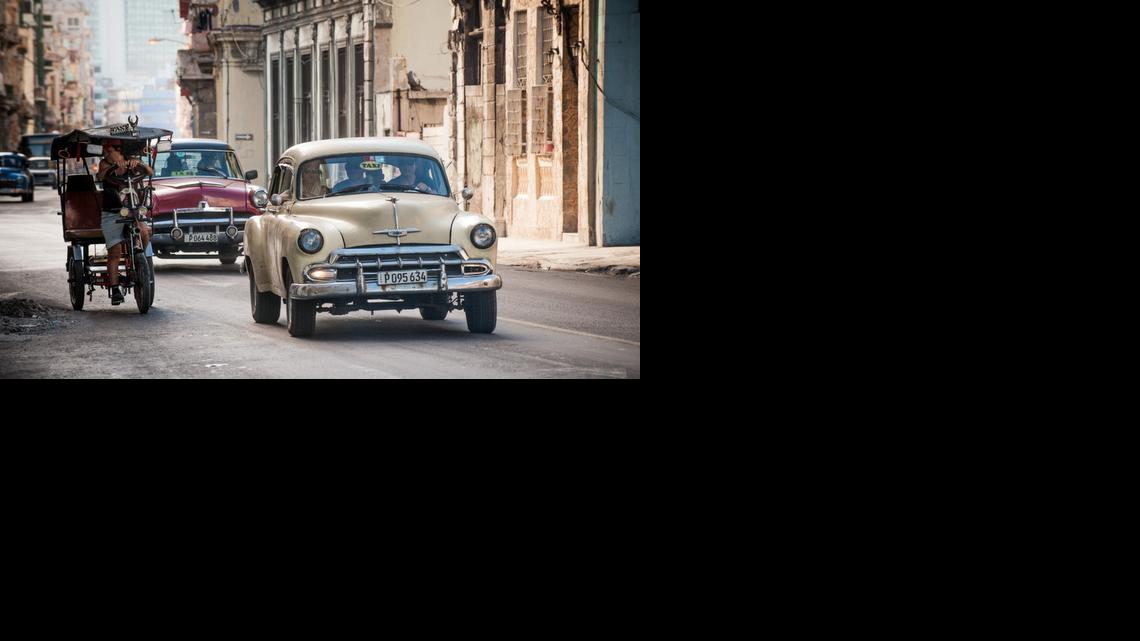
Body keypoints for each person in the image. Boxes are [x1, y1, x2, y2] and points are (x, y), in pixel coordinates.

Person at [96, 140, 153, 305]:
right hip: (112, 212)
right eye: (107, 149)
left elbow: (149, 172)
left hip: (134, 209)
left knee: (144, 232)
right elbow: (100, 176)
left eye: (110, 149)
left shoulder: (131, 161)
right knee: (115, 252)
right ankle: (115, 289)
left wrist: (138, 163)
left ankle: (141, 260)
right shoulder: (104, 164)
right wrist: (113, 167)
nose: (106, 151)